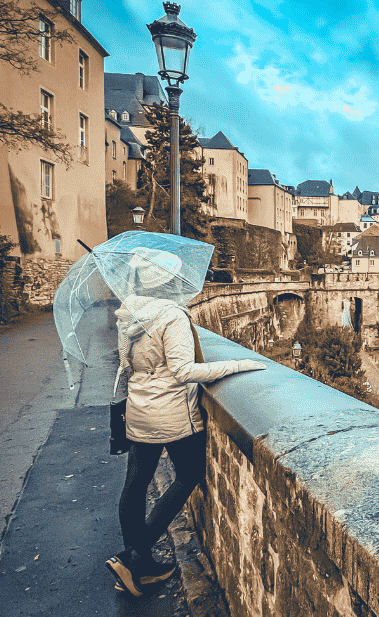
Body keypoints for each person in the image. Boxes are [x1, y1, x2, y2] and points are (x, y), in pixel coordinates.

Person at [104, 248, 266, 597]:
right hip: (172, 414)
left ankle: (140, 566)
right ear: (167, 283)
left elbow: (129, 367)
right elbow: (183, 372)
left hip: (139, 409)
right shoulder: (172, 316)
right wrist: (238, 364)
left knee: (135, 484)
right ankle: (133, 557)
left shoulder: (130, 313)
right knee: (190, 474)